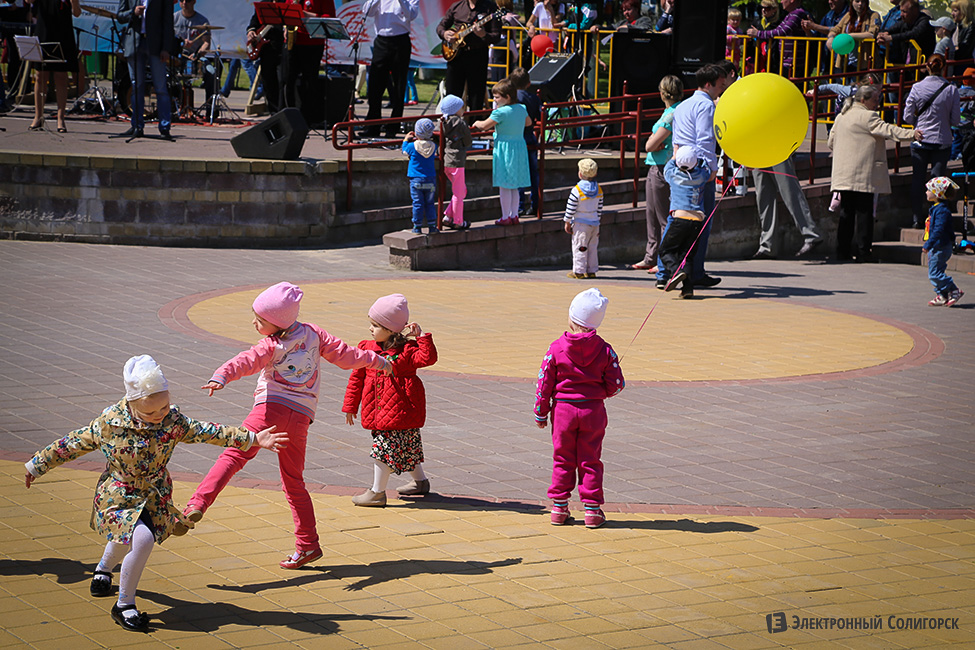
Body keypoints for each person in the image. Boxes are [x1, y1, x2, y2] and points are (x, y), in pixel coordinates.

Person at [24, 355, 288, 632]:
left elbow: (208, 431)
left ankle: (103, 569)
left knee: (130, 537)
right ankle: (124, 604)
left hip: (153, 494)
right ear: (131, 404)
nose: (159, 415)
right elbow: (73, 443)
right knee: (141, 537)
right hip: (118, 493)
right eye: (150, 413)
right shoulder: (109, 423)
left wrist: (251, 439)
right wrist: (36, 465)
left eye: (163, 407)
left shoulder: (172, 421)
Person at [183, 282, 392, 570]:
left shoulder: (272, 344)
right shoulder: (315, 334)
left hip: (270, 410)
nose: (254, 323)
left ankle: (197, 504)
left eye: (259, 320)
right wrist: (377, 361)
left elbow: (247, 360)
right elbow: (347, 356)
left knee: (234, 453)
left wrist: (222, 376)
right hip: (301, 416)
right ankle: (308, 545)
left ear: (276, 323)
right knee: (294, 482)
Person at [534, 287, 624, 529]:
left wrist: (540, 412)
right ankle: (592, 510)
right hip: (593, 411)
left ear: (572, 317)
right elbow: (617, 384)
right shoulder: (605, 349)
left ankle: (559, 508)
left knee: (563, 458)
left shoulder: (555, 348)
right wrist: (600, 393)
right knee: (590, 459)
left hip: (563, 411)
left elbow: (544, 383)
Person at [343, 294, 438, 506]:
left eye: (375, 325)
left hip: (401, 410)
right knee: (407, 446)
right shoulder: (367, 348)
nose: (370, 329)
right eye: (371, 324)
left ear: (391, 329)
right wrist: (350, 405)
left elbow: (428, 358)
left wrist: (421, 336)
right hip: (378, 410)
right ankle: (420, 482)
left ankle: (377, 492)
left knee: (383, 449)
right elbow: (356, 377)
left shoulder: (406, 351)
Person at [828, 84, 921, 262]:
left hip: (844, 173)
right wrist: (912, 134)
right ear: (863, 100)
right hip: (863, 173)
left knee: (846, 212)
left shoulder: (842, 116)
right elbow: (890, 130)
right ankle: (863, 252)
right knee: (864, 213)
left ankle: (842, 251)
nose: (877, 103)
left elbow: (832, 142)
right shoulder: (869, 116)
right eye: (875, 100)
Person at [655, 63, 726, 292]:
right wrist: (712, 168)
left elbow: (676, 137)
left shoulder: (683, 105)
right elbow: (706, 140)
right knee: (700, 222)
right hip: (699, 165)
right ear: (709, 84)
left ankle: (666, 271)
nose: (722, 87)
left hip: (679, 163)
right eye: (720, 83)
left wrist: (674, 161)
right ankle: (692, 272)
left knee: (675, 215)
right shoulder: (706, 106)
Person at [632, 74, 682, 272]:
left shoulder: (671, 114)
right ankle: (651, 256)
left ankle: (663, 260)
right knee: (651, 214)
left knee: (662, 216)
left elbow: (650, 144)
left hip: (663, 167)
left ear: (662, 93)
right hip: (656, 165)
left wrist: (652, 141)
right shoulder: (672, 110)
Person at [904, 54, 960, 228]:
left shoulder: (916, 87)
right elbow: (956, 120)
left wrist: (916, 124)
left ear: (927, 67)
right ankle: (936, 218)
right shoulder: (951, 89)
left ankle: (916, 218)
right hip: (942, 139)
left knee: (917, 179)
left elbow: (906, 116)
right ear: (943, 67)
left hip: (920, 138)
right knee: (938, 180)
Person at [472, 77, 532, 226]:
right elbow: (528, 122)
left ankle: (505, 216)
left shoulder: (500, 113)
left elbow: (485, 126)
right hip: (519, 146)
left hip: (504, 148)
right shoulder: (521, 108)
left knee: (504, 183)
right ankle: (514, 215)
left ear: (507, 97)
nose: (494, 100)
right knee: (515, 184)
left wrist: (476, 122)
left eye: (497, 97)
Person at [117, 0, 175, 139]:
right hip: (135, 43)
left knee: (160, 87)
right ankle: (137, 125)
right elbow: (120, 15)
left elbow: (168, 22)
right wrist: (133, 12)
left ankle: (164, 127)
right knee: (137, 86)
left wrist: (166, 48)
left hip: (155, 44)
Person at [361, 0, 419, 139]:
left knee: (399, 86)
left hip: (400, 42)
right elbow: (367, 12)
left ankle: (393, 127)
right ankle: (373, 126)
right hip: (381, 41)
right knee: (375, 86)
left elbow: (411, 15)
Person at [751, 156, 824, 259]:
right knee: (763, 194)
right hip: (756, 148)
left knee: (789, 189)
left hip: (777, 146)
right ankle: (767, 246)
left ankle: (811, 234)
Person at [437, 0, 502, 114]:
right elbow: (441, 26)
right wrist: (445, 34)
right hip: (456, 55)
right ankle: (450, 123)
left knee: (476, 94)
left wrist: (484, 35)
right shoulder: (457, 6)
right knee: (452, 92)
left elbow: (496, 36)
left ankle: (473, 125)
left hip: (477, 55)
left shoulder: (490, 8)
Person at [26, 0, 80, 133]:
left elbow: (77, 13)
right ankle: (38, 116)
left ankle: (61, 118)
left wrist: (74, 3)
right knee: (40, 75)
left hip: (63, 32)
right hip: (44, 30)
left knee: (61, 76)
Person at [281, 0, 333, 126]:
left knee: (309, 81)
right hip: (293, 41)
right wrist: (285, 27)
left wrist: (304, 14)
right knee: (287, 79)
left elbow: (329, 18)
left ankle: (306, 118)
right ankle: (288, 115)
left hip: (312, 43)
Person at [923, 177, 965, 307]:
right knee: (936, 270)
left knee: (934, 274)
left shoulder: (941, 211)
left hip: (940, 246)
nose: (926, 192)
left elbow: (939, 230)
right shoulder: (937, 208)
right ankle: (942, 295)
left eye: (929, 190)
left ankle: (953, 289)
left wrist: (928, 244)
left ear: (937, 194)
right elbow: (947, 229)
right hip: (938, 246)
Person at [173, 0, 215, 117]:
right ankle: (173, 106)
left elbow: (206, 43)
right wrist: (180, 43)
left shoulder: (202, 21)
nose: (185, 3)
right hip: (178, 56)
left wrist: (198, 54)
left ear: (194, 2)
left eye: (188, 0)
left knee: (211, 72)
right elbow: (168, 39)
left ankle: (210, 109)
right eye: (182, 0)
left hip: (196, 56)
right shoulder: (173, 19)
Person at [746, 0, 811, 76]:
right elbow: (778, 30)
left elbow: (782, 31)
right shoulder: (791, 14)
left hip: (793, 63)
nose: (781, 2)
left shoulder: (797, 13)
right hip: (786, 61)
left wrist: (758, 33)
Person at [564, 158, 604, 279]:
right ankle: (592, 270)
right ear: (595, 173)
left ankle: (579, 271)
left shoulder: (577, 190)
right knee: (592, 247)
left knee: (580, 247)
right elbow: (600, 207)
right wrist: (597, 219)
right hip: (594, 223)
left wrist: (567, 221)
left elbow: (570, 208)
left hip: (580, 223)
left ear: (580, 173)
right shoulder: (599, 189)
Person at [510, 66, 541, 217]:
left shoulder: (513, 99)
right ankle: (536, 204)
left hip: (516, 138)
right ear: (528, 83)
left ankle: (520, 206)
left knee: (518, 173)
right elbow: (540, 117)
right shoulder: (534, 98)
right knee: (534, 173)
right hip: (530, 137)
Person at [439, 95, 473, 230]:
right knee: (459, 193)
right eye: (461, 107)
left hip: (447, 159)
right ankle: (458, 221)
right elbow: (468, 141)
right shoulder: (460, 123)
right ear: (456, 109)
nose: (463, 109)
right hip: (458, 160)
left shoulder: (442, 122)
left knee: (461, 190)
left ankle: (448, 215)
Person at [246, 1, 285, 114]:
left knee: (282, 81)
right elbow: (253, 23)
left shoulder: (286, 4)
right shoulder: (264, 4)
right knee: (268, 80)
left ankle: (283, 111)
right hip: (267, 48)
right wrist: (251, 31)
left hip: (282, 46)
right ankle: (273, 112)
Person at [403, 118, 439, 234]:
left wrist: (405, 140)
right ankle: (432, 226)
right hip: (430, 179)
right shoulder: (433, 146)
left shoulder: (412, 146)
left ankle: (417, 226)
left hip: (416, 179)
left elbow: (404, 151)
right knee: (430, 203)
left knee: (417, 203)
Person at [825, 0, 881, 72]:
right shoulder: (848, 15)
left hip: (864, 62)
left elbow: (872, 34)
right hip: (846, 61)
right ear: (852, 2)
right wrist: (831, 37)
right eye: (857, 1)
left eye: (863, 1)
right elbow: (835, 29)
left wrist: (849, 36)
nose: (860, 4)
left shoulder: (873, 15)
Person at [876, 0, 936, 65]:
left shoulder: (924, 22)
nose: (901, 14)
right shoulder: (905, 21)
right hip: (907, 64)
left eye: (904, 12)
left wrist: (891, 37)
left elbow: (913, 34)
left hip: (922, 64)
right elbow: (893, 28)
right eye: (901, 11)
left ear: (914, 11)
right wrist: (882, 34)